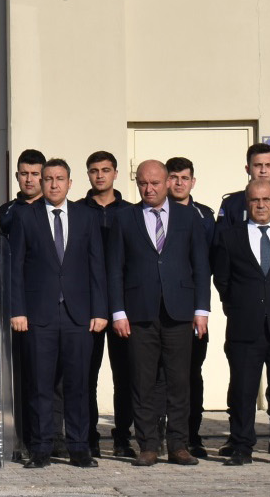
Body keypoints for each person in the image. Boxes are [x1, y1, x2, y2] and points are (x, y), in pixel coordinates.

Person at [107, 160, 210, 466]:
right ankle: (148, 445)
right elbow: (115, 269)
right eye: (142, 183)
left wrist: (201, 309)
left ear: (167, 183)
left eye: (154, 183)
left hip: (179, 311)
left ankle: (178, 445)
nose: (148, 189)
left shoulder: (188, 216)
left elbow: (200, 265)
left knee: (179, 381)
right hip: (139, 313)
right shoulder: (124, 218)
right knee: (142, 382)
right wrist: (118, 312)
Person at [6, 158, 105, 468]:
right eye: (48, 178)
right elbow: (15, 267)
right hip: (38, 316)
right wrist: (17, 310)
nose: (53, 184)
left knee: (78, 385)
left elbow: (97, 266)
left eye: (59, 178)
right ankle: (40, 449)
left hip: (79, 315)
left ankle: (79, 448)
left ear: (70, 183)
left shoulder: (87, 216)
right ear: (41, 182)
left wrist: (100, 310)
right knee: (40, 385)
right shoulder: (26, 216)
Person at [210, 180, 270, 466]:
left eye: (266, 199)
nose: (261, 205)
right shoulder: (230, 237)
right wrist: (240, 306)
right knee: (243, 389)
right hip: (245, 325)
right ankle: (242, 446)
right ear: (247, 202)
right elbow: (222, 280)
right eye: (255, 200)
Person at [83, 150, 135, 457]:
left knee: (125, 376)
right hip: (88, 307)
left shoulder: (130, 213)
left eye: (105, 170)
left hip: (122, 307)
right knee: (85, 376)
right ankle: (88, 437)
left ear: (116, 173)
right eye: (94, 170)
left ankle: (122, 438)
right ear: (87, 175)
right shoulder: (78, 211)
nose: (100, 175)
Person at [165, 156, 217, 457]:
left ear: (193, 182)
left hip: (191, 310)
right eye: (173, 177)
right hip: (159, 309)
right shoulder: (150, 212)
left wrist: (202, 308)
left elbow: (208, 262)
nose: (179, 183)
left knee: (190, 374)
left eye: (184, 177)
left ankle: (190, 436)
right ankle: (158, 435)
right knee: (158, 377)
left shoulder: (203, 216)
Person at [1, 148, 45, 462]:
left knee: (50, 380)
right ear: (17, 176)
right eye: (24, 173)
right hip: (15, 308)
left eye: (35, 174)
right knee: (19, 378)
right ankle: (21, 440)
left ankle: (52, 438)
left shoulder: (55, 210)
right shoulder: (5, 213)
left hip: (50, 307)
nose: (29, 179)